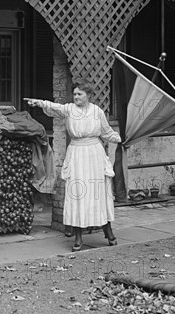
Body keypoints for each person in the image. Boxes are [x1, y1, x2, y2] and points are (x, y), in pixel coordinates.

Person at [28, 80, 121, 252]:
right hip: (77, 155)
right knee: (78, 193)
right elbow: (54, 107)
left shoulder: (97, 112)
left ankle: (108, 231)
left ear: (89, 96)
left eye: (80, 94)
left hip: (95, 155)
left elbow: (107, 132)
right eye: (75, 94)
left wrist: (119, 138)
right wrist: (39, 102)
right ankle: (78, 236)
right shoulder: (69, 109)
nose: (76, 97)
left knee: (97, 192)